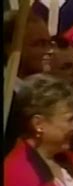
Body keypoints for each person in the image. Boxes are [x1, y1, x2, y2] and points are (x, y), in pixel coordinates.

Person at [4, 10, 54, 155]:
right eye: (39, 44)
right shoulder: (7, 96)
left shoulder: (46, 91)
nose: (48, 51)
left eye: (48, 43)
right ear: (11, 49)